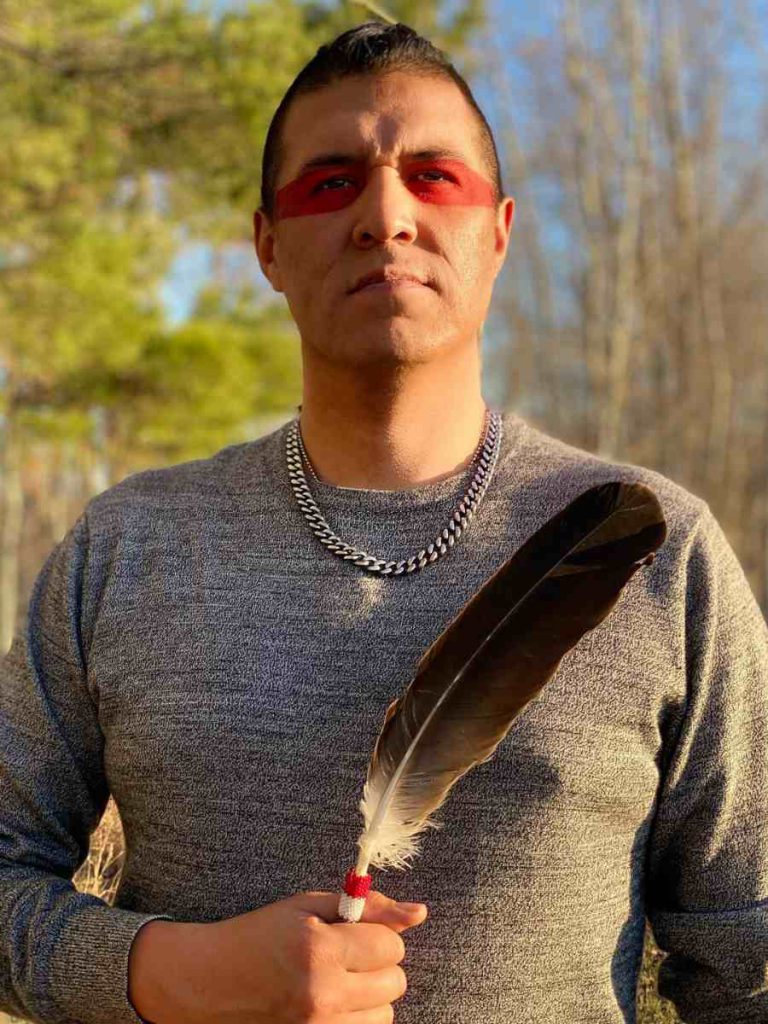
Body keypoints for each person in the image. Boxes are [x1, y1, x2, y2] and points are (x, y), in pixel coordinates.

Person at [0, 19, 766, 1024]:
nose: (387, 214)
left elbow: (749, 964)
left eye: (434, 175)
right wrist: (181, 974)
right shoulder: (126, 548)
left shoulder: (656, 552)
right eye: (332, 182)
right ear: (267, 244)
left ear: (499, 232)